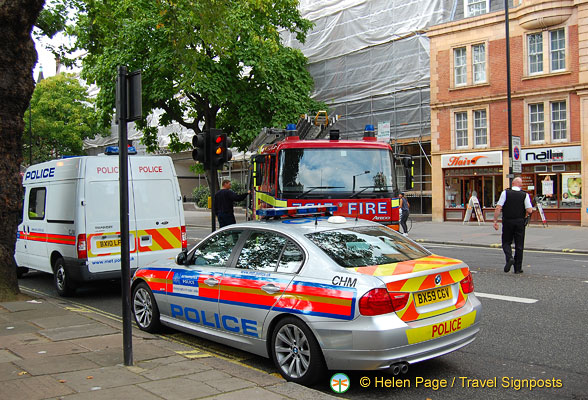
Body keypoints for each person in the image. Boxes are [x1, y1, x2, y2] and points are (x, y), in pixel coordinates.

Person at [493, 177, 533, 274]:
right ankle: (518, 268)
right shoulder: (525, 195)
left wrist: (495, 220)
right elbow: (529, 210)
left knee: (506, 242)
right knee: (519, 245)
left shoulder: (505, 193)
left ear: (513, 183)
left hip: (507, 221)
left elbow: (498, 208)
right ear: (520, 185)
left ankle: (509, 258)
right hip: (520, 222)